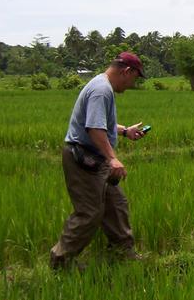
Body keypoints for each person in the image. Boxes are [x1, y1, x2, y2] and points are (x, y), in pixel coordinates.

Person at [50, 52, 148, 269]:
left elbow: (100, 123)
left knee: (116, 204)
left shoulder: (102, 86)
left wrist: (124, 131)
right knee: (89, 212)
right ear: (127, 72)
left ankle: (123, 252)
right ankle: (61, 261)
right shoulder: (101, 90)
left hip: (94, 157)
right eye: (135, 78)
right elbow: (93, 128)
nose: (133, 84)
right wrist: (112, 158)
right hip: (83, 158)